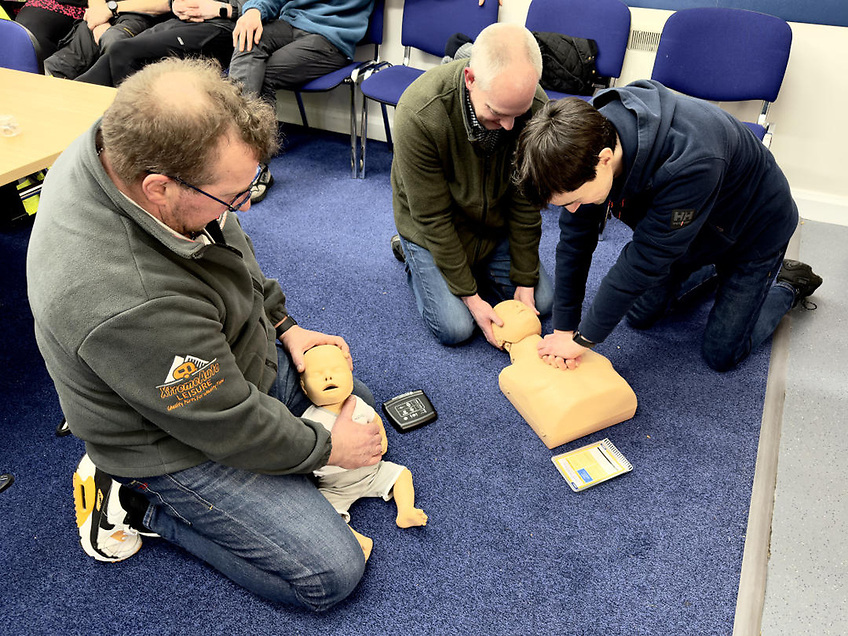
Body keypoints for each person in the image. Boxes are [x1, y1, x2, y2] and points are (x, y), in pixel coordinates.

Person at [27, 58, 386, 611]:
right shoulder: (126, 296)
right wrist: (323, 448)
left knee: (359, 406)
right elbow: (227, 421)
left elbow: (225, 241)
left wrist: (283, 325)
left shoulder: (133, 145)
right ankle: (135, 503)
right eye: (235, 195)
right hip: (168, 439)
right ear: (159, 188)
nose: (245, 205)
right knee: (331, 572)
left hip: (214, 361)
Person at [512, 81, 823, 373]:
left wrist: (583, 340)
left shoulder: (690, 161)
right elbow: (574, 243)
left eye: (575, 200)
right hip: (687, 230)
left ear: (604, 160)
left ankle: (786, 282)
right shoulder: (586, 141)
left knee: (722, 354)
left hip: (754, 234)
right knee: (639, 315)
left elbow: (643, 261)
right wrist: (566, 328)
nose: (572, 211)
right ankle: (713, 269)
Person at [390, 22, 554, 348]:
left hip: (493, 224)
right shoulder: (419, 114)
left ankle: (474, 267)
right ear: (470, 80)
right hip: (433, 225)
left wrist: (523, 279)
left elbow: (525, 202)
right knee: (456, 328)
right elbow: (432, 217)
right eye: (497, 114)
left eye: (517, 115)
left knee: (544, 302)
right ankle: (409, 253)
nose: (509, 127)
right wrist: (471, 297)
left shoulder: (535, 107)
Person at [227, 0, 374, 202]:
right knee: (248, 38)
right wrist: (253, 10)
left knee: (263, 74)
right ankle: (230, 147)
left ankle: (253, 164)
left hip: (329, 36)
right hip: (290, 24)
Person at [300, 345, 427, 561]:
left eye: (336, 370)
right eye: (318, 374)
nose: (328, 376)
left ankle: (405, 510)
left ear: (350, 375)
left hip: (372, 472)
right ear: (304, 387)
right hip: (336, 486)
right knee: (322, 513)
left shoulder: (357, 403)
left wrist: (383, 440)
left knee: (402, 474)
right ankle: (357, 539)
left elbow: (375, 419)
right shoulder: (308, 421)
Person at [491, 300, 637, 449]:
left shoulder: (577, 347)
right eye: (508, 312)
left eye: (522, 307)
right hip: (612, 401)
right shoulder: (512, 375)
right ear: (499, 339)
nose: (517, 306)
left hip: (610, 400)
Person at [76, 0, 248, 87]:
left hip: (222, 27)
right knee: (91, 78)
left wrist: (223, 9)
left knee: (123, 50)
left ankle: (132, 135)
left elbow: (266, 6)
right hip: (181, 21)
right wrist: (176, 4)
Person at [43, 0, 172, 79]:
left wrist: (111, 8)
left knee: (113, 41)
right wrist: (99, 23)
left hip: (144, 15)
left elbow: (167, 3)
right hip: (102, 15)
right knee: (56, 67)